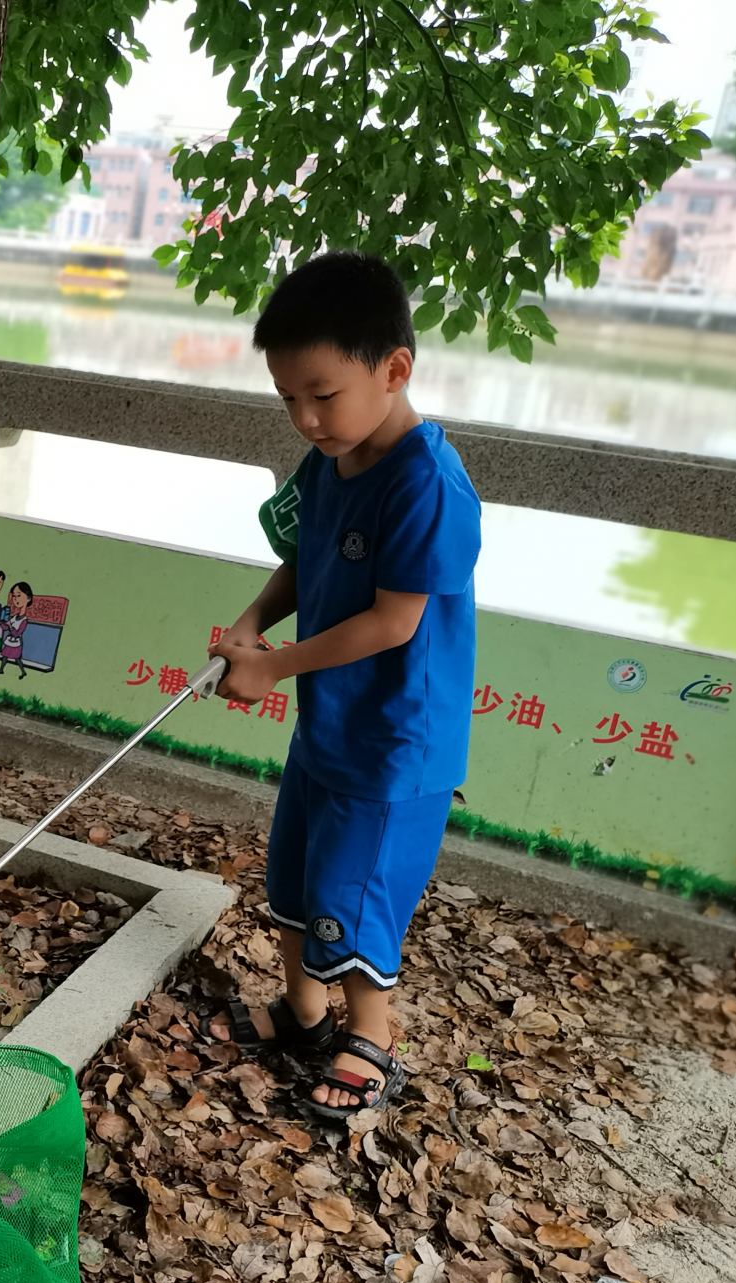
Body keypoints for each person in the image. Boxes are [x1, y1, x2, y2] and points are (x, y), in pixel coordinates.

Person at [200, 251, 481, 1123]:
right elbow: (301, 559)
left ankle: (373, 1034)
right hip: (327, 722)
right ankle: (305, 1015)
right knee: (295, 871)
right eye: (288, 397)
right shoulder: (329, 461)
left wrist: (273, 666)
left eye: (322, 394)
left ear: (393, 369)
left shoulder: (427, 484)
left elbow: (394, 622)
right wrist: (253, 621)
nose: (306, 417)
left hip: (396, 741)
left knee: (353, 891)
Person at [0, 581, 32, 679]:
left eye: (19, 596)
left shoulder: (24, 620)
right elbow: (5, 628)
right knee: (4, 656)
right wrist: (0, 622)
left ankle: (23, 672)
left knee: (17, 659)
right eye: (14, 596)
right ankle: (1, 670)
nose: (15, 599)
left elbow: (17, 633)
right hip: (8, 642)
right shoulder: (14, 617)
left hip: (16, 643)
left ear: (28, 598)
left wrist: (10, 626)